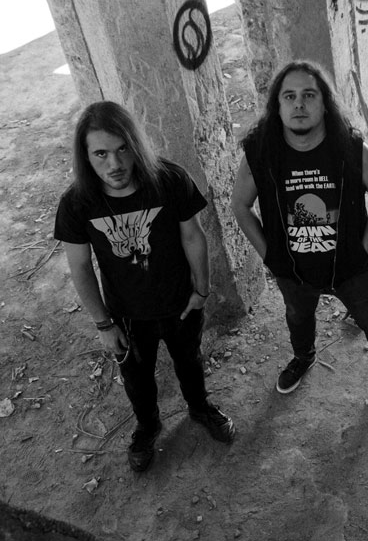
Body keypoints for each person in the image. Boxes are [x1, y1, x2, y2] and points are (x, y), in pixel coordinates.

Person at [54, 101, 235, 473]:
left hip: (180, 302)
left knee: (190, 361)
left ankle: (200, 408)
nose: (115, 164)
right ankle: (148, 427)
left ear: (135, 144)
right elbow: (80, 267)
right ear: (86, 156)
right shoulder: (77, 203)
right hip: (126, 315)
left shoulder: (169, 179)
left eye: (123, 149)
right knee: (137, 379)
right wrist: (104, 324)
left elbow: (193, 236)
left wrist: (201, 290)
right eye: (101, 153)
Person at [231, 60, 368, 419]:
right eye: (289, 96)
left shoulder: (350, 149)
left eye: (309, 95)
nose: (299, 104)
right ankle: (303, 357)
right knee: (298, 317)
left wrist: (363, 249)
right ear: (277, 106)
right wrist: (270, 255)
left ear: (324, 103)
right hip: (293, 270)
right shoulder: (261, 153)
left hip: (350, 268)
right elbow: (240, 206)